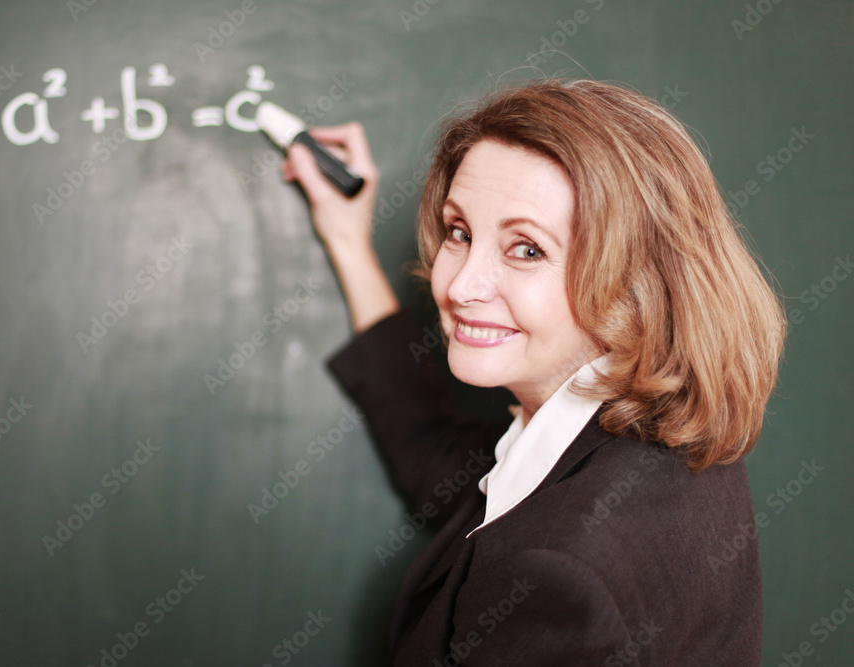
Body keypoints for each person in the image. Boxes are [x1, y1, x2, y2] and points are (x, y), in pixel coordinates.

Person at [280, 79, 786, 666]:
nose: (461, 285)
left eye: (527, 249)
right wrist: (348, 242)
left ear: (636, 284)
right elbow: (444, 465)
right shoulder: (642, 448)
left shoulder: (561, 574)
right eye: (460, 233)